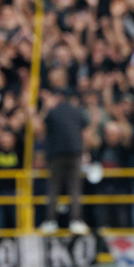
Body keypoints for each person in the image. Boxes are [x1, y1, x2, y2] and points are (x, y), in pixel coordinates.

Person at [40, 90, 89, 234]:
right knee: (74, 188)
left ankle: (51, 221)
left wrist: (46, 107)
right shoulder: (77, 111)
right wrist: (85, 152)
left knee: (53, 188)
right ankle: (75, 220)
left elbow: (41, 129)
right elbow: (84, 133)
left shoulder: (53, 112)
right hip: (75, 153)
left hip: (56, 155)